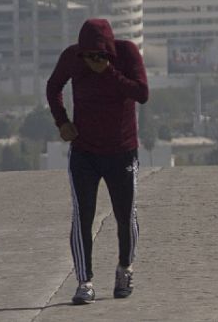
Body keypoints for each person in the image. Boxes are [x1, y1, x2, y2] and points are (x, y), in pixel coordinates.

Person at [46, 18, 149, 304]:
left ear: (109, 51)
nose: (94, 60)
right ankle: (84, 281)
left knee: (125, 215)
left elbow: (142, 93)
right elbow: (53, 86)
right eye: (90, 55)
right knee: (82, 217)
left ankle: (125, 268)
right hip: (84, 153)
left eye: (100, 55)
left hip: (122, 151)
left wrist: (109, 72)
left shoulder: (126, 53)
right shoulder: (72, 57)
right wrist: (62, 122)